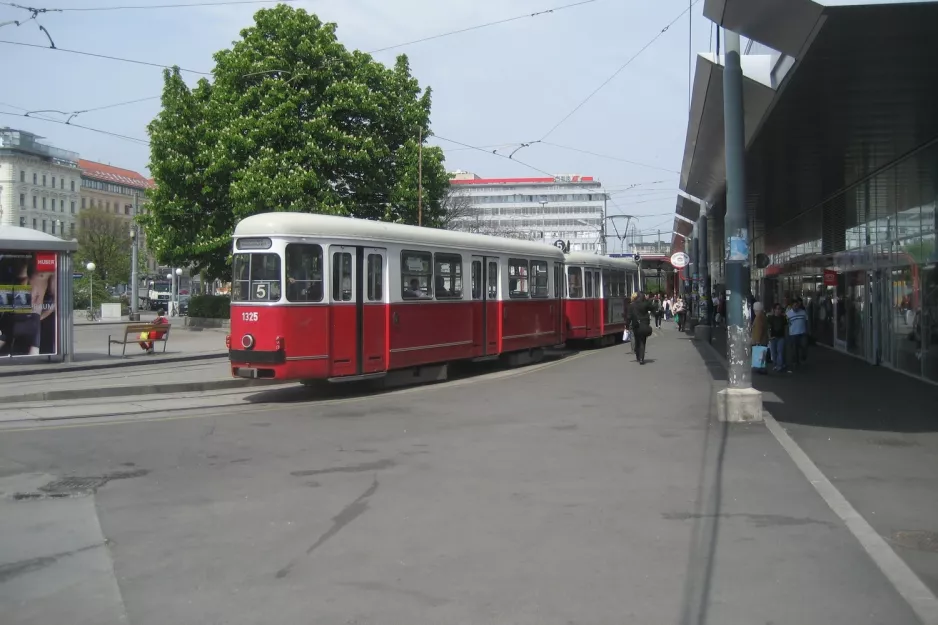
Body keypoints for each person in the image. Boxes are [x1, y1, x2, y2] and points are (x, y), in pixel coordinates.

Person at [628, 291, 654, 364]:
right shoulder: (645, 304)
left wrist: (626, 326)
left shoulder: (631, 305)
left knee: (637, 341)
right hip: (644, 325)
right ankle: (641, 358)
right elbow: (652, 309)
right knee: (642, 342)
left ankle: (638, 356)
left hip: (636, 326)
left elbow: (628, 317)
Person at [786, 297, 809, 369]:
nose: (796, 307)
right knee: (794, 348)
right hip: (793, 334)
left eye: (797, 305)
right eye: (794, 306)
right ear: (791, 306)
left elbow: (807, 321)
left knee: (804, 345)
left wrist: (808, 330)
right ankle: (795, 361)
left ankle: (803, 357)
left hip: (802, 333)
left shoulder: (803, 312)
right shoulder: (788, 314)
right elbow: (786, 324)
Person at [767, 303, 788, 372]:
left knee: (780, 351)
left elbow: (786, 327)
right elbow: (768, 328)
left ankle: (779, 365)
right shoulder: (770, 318)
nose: (778, 310)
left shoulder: (783, 318)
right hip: (773, 337)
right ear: (774, 310)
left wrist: (786, 336)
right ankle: (776, 364)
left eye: (779, 309)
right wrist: (769, 336)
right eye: (777, 309)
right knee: (773, 352)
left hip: (781, 337)